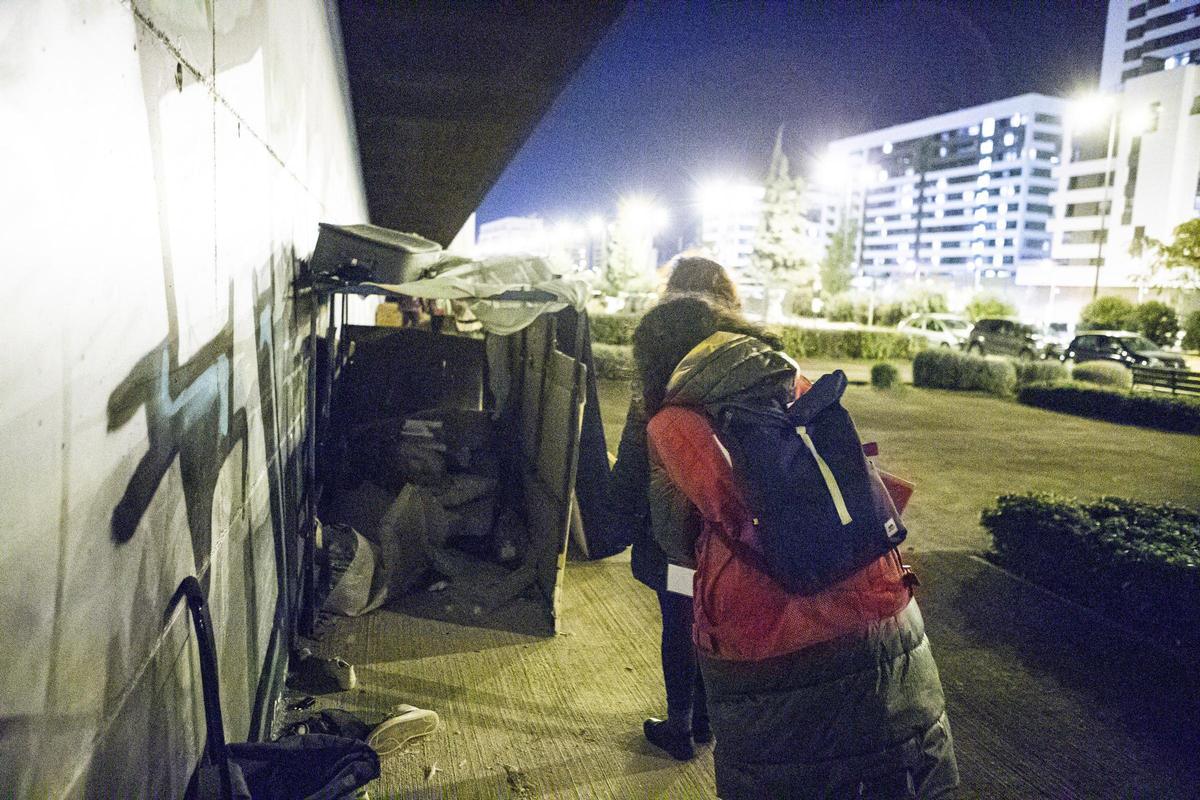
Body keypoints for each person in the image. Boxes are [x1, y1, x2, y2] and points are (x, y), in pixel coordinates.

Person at [633, 295, 959, 798]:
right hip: (876, 594)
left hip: (767, 627)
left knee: (787, 770)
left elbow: (687, 531)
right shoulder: (793, 380)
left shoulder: (673, 423)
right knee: (895, 761)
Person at [609, 256, 738, 761]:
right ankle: (707, 720)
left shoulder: (662, 370)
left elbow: (633, 466)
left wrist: (611, 524)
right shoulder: (742, 366)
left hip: (674, 533)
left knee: (679, 620)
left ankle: (680, 725)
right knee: (715, 620)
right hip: (729, 529)